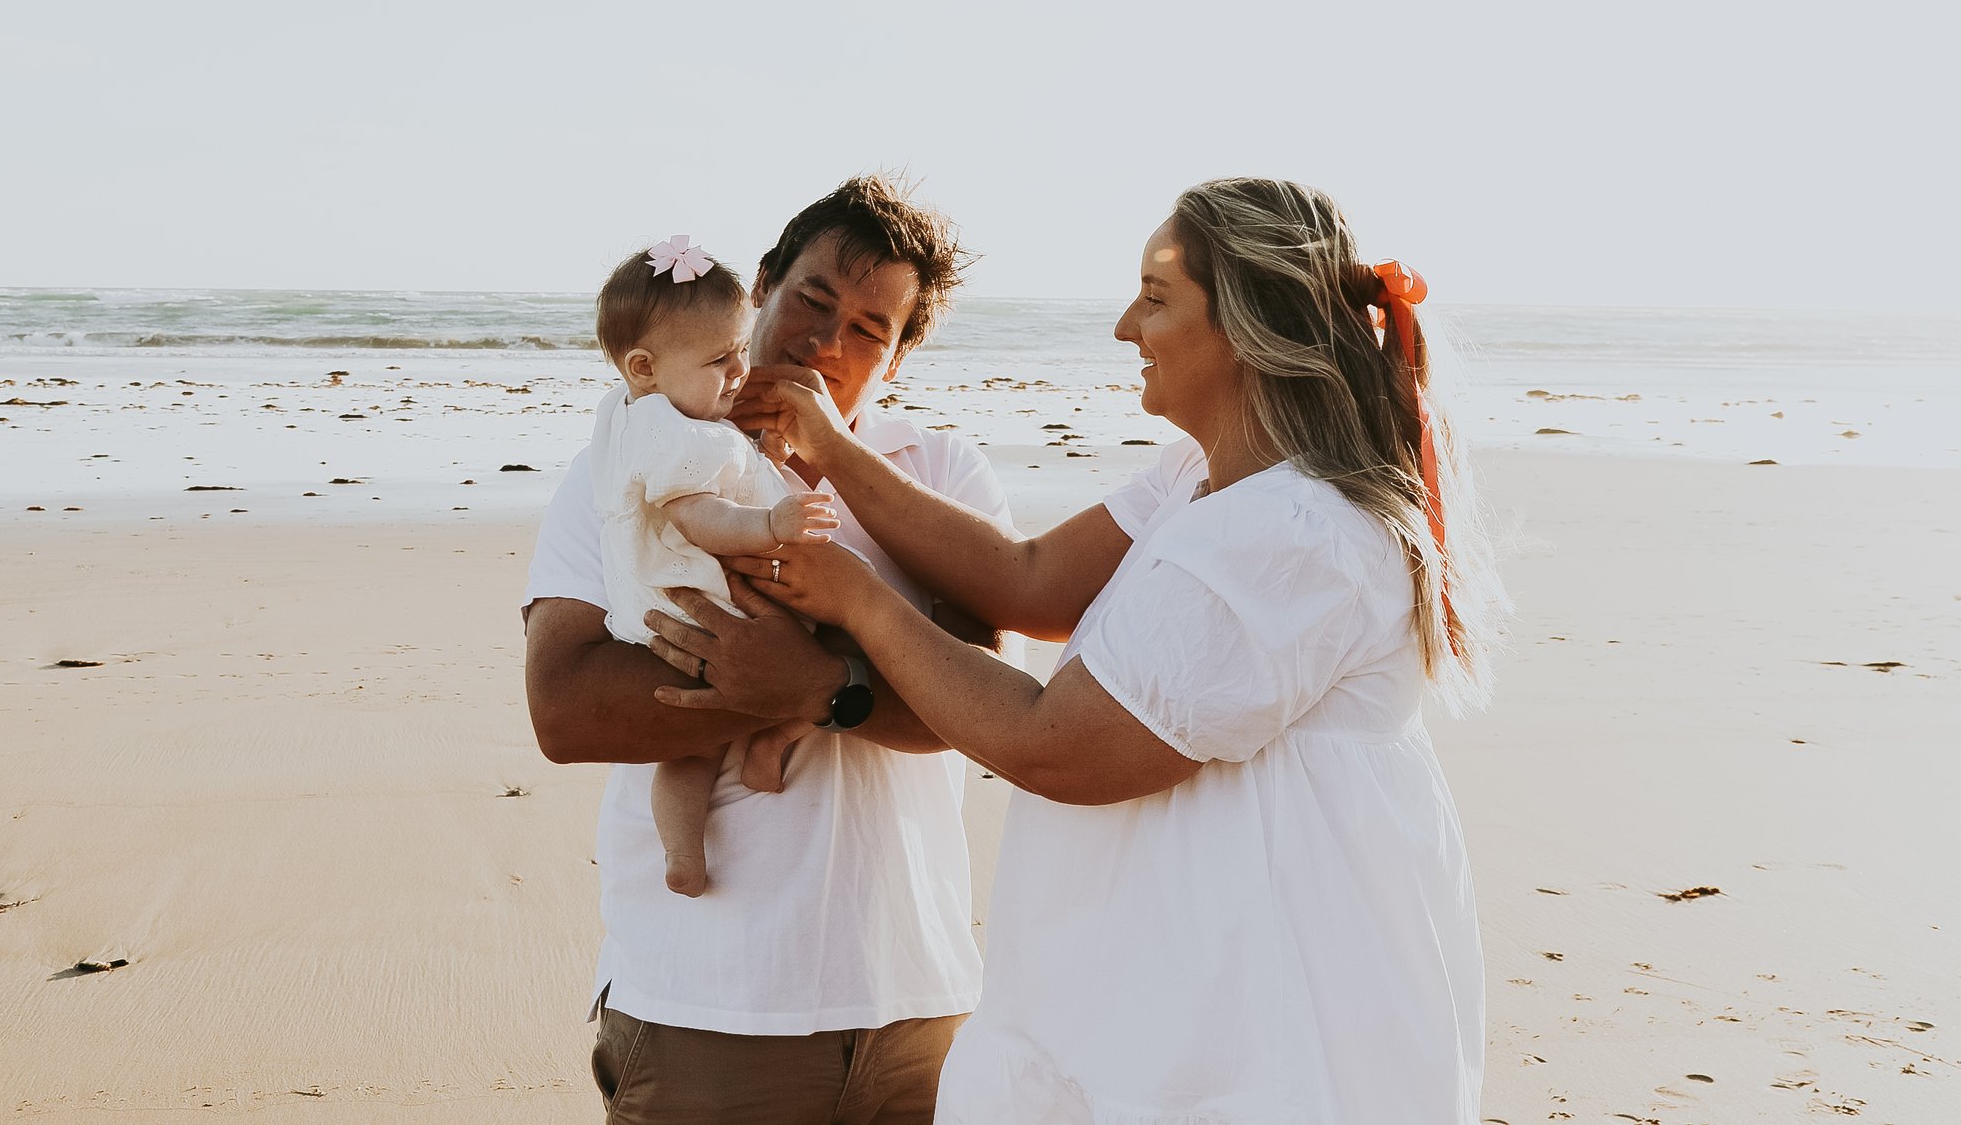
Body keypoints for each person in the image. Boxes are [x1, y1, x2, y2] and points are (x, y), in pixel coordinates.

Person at [681, 176, 1506, 1123]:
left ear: (1249, 327)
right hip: (1160, 983)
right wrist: (830, 448)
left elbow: (1054, 745)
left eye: (1155, 298)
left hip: (1256, 1011)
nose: (1125, 326)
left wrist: (858, 599)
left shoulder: (1296, 535)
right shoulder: (1201, 475)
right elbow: (1025, 579)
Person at [523, 175, 1009, 1125]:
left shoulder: (942, 476)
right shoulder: (632, 460)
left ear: (899, 357)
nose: (826, 342)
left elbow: (986, 703)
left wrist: (823, 685)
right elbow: (564, 707)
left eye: (868, 329)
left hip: (918, 1003)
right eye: (812, 300)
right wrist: (768, 682)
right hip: (706, 1002)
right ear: (762, 288)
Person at [582, 236, 839, 897]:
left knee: (687, 751)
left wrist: (764, 451)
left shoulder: (641, 415)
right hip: (708, 603)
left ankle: (682, 851)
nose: (740, 370)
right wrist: (770, 525)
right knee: (832, 652)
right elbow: (702, 517)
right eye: (719, 359)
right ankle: (769, 742)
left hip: (664, 613)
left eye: (741, 349)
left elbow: (729, 467)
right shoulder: (668, 433)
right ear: (644, 367)